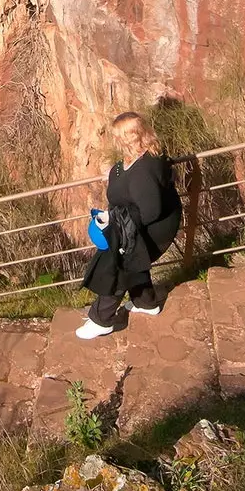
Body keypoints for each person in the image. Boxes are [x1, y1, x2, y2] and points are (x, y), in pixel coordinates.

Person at [76, 112, 184, 340]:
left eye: (118, 136)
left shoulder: (144, 170)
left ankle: (101, 319)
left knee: (118, 262)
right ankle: (145, 302)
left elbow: (151, 211)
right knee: (128, 255)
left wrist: (116, 224)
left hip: (155, 229)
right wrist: (115, 176)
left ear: (125, 138)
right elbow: (127, 177)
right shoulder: (139, 158)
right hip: (138, 223)